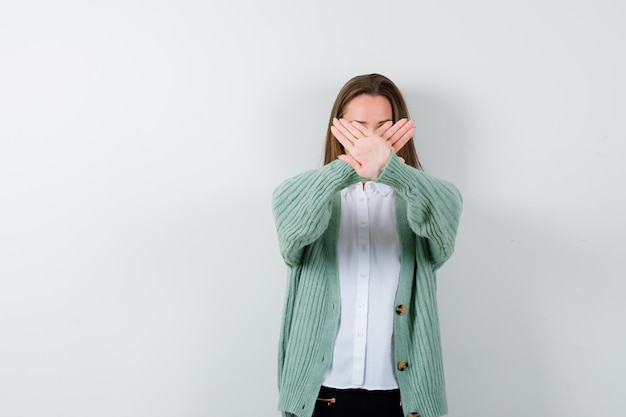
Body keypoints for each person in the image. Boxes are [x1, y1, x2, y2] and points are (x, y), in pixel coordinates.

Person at [272, 74, 462, 417]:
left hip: (401, 397)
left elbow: (444, 223)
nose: (372, 140)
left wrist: (392, 171)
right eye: (359, 128)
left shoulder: (420, 194)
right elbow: (291, 229)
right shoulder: (310, 192)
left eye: (383, 127)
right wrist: (350, 169)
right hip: (321, 394)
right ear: (338, 128)